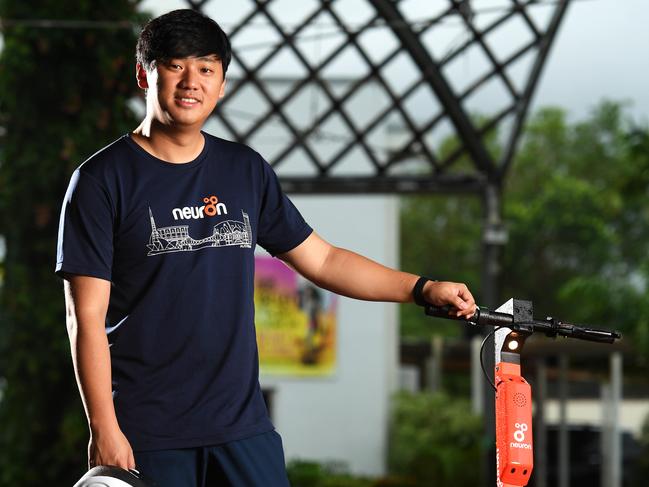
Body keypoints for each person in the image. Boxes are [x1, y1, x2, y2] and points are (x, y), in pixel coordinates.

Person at [56, 9, 477, 487]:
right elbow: (85, 318)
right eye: (175, 66)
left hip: (242, 428)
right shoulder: (100, 180)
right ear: (144, 74)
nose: (191, 81)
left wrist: (422, 288)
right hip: (148, 432)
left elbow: (323, 259)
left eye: (206, 69)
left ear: (222, 84)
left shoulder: (244, 170)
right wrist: (104, 428)